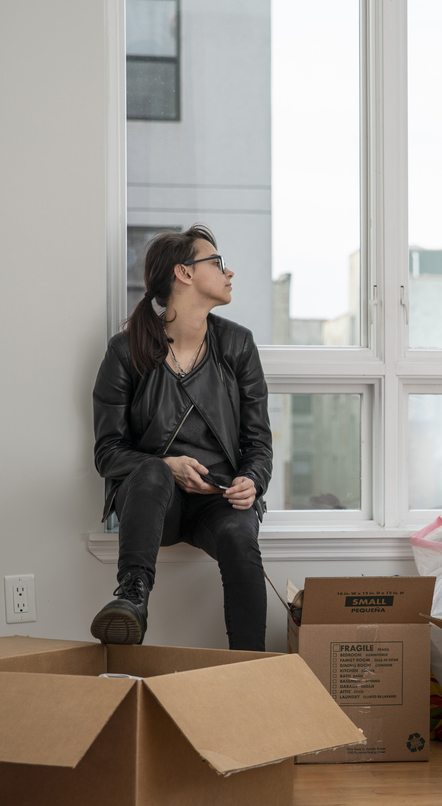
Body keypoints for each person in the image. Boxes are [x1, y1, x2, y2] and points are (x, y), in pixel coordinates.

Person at [90, 224, 272, 650]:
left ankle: (251, 669)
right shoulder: (125, 350)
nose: (229, 273)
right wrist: (166, 466)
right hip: (156, 503)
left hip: (219, 499)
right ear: (184, 273)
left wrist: (252, 480)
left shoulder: (238, 345)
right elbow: (107, 452)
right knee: (153, 470)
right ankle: (131, 598)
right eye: (218, 263)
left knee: (240, 537)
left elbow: (258, 443)